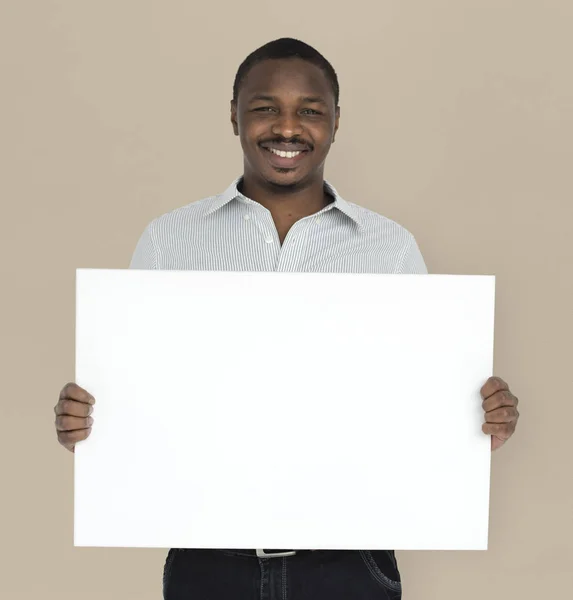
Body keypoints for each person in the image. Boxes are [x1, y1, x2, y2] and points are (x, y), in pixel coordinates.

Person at [54, 37, 520, 600]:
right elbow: (137, 396)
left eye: (310, 110)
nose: (288, 127)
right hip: (208, 562)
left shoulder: (390, 248)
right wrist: (89, 422)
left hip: (350, 563)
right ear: (233, 115)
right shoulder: (170, 239)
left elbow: (418, 397)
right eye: (265, 107)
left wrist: (478, 424)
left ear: (336, 122)